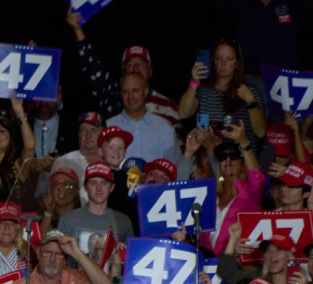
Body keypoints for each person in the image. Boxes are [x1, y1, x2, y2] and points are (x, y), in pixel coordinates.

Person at [66, 9, 180, 127]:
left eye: (141, 63)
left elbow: (178, 143)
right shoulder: (113, 96)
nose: (135, 67)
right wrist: (77, 30)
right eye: (130, 64)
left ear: (150, 71)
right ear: (123, 72)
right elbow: (92, 66)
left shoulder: (168, 106)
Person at [178, 39, 266, 152]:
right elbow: (183, 113)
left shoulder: (250, 91)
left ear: (237, 63)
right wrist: (194, 82)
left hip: (239, 160)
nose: (223, 63)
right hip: (208, 159)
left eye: (229, 59)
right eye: (218, 58)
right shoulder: (203, 90)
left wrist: (250, 101)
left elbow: (261, 132)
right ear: (212, 61)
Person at [198, 126, 263, 256]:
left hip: (235, 269)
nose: (228, 160)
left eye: (234, 156)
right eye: (223, 157)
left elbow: (257, 176)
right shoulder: (209, 198)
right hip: (207, 267)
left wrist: (244, 143)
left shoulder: (250, 195)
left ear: (243, 165)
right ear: (219, 166)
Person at [58, 163, 134, 255]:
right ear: (85, 187)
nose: (99, 188)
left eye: (104, 183)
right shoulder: (68, 220)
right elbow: (61, 259)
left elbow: (130, 261)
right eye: (93, 183)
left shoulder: (123, 221)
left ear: (112, 187)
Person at [107, 73, 182, 165]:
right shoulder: (109, 126)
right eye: (125, 91)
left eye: (135, 90)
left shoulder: (164, 127)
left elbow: (174, 167)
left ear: (146, 91)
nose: (130, 96)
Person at [46, 111, 104, 206]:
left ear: (103, 132)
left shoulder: (114, 161)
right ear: (78, 134)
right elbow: (52, 201)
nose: (88, 135)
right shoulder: (64, 162)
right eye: (83, 130)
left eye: (93, 130)